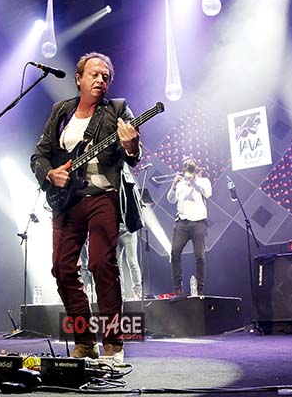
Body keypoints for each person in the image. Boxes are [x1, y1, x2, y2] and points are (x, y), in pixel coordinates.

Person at [31, 51, 141, 362]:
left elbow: (132, 154)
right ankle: (85, 341)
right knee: (62, 268)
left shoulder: (118, 109)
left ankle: (113, 343)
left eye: (106, 76)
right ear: (78, 79)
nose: (101, 80)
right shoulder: (61, 111)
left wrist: (131, 145)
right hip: (67, 201)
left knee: (101, 264)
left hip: (103, 196)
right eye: (94, 74)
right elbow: (38, 155)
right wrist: (50, 174)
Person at [167, 156, 212, 296]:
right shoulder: (181, 184)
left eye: (191, 166)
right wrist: (174, 185)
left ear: (195, 168)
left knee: (200, 256)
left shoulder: (203, 181)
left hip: (198, 222)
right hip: (182, 222)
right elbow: (171, 199)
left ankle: (199, 288)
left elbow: (208, 193)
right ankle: (177, 287)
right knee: (174, 253)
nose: (188, 169)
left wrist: (194, 182)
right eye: (186, 166)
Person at [117, 223, 142, 300]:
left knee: (132, 261)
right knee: (117, 265)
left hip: (128, 231)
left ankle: (137, 292)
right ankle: (120, 293)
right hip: (114, 232)